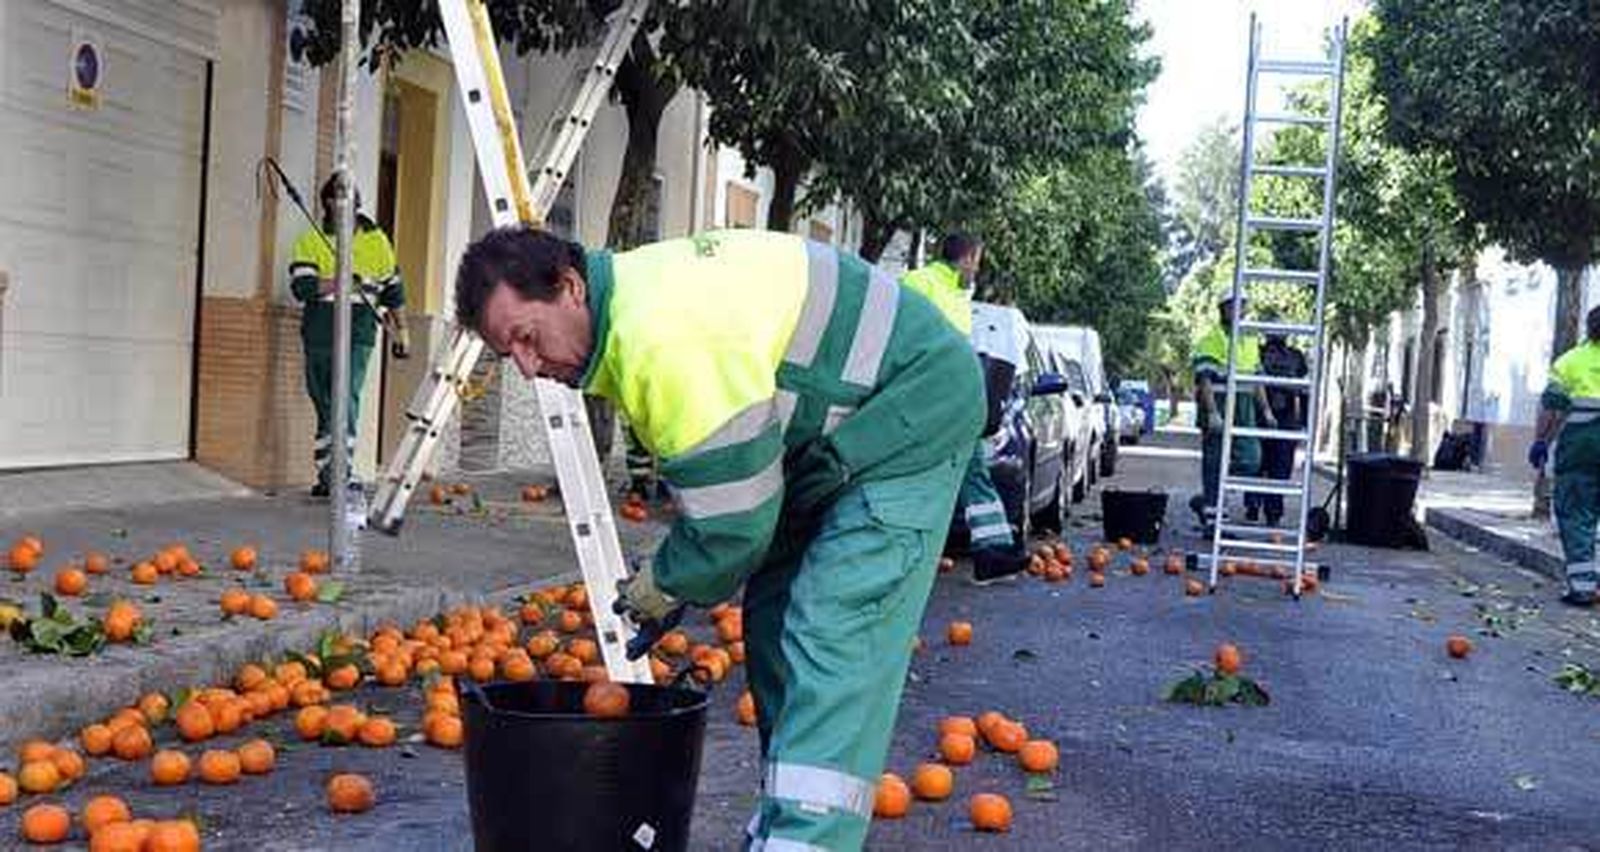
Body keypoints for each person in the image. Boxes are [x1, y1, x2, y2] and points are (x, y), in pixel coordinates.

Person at [454, 226, 982, 850]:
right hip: (835, 439)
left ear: (569, 288)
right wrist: (674, 581)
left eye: (525, 337)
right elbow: (731, 496)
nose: (527, 366)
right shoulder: (630, 317)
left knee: (833, 625)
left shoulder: (659, 338)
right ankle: (788, 821)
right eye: (506, 352)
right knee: (773, 618)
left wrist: (662, 583)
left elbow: (733, 527)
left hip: (911, 412)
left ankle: (807, 840)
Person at [901, 233, 1028, 582]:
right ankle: (987, 553)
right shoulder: (919, 282)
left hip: (949, 402)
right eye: (978, 260)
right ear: (969, 257)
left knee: (972, 472)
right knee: (937, 475)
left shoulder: (954, 293)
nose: (978, 268)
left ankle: (994, 552)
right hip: (927, 401)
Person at [288, 176, 409, 497]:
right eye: (333, 203)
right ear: (326, 205)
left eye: (346, 201)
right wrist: (338, 281)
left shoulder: (377, 241)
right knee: (325, 402)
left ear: (356, 203)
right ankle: (330, 474)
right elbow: (301, 288)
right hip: (319, 334)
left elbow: (394, 291)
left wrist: (403, 332)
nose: (339, 209)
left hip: (358, 333)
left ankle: (340, 474)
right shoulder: (311, 240)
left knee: (345, 400)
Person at [1529, 306, 1600, 606]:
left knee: (1576, 515)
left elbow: (1551, 408)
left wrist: (1541, 441)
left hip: (1581, 450)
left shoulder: (1570, 362)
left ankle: (1583, 587)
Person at [1190, 294, 1276, 529]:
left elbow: (1257, 380)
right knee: (1215, 458)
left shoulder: (1249, 340)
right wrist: (1212, 412)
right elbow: (1204, 379)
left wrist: (1266, 411)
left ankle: (1209, 496)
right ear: (1223, 309)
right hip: (1218, 404)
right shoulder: (1212, 339)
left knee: (1251, 459)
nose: (1240, 310)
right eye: (1234, 306)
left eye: (1243, 306)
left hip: (1244, 406)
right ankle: (1212, 513)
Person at [1245, 322, 1309, 526]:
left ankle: (1260, 507)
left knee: (1266, 463)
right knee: (1273, 464)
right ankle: (1267, 510)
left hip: (1273, 414)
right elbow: (1302, 389)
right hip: (1273, 413)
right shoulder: (1288, 355)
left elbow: (1302, 388)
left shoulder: (1291, 355)